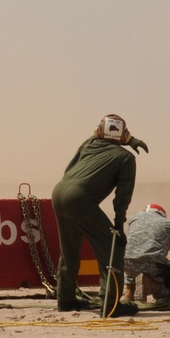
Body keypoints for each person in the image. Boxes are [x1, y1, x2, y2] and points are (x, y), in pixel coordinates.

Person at [52, 114, 147, 315]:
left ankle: (66, 299)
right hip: (79, 198)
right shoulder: (126, 158)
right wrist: (119, 224)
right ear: (124, 135)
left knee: (69, 249)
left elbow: (92, 141)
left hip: (59, 193)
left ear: (98, 131)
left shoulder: (89, 143)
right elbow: (122, 197)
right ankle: (110, 303)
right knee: (113, 245)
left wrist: (126, 138)